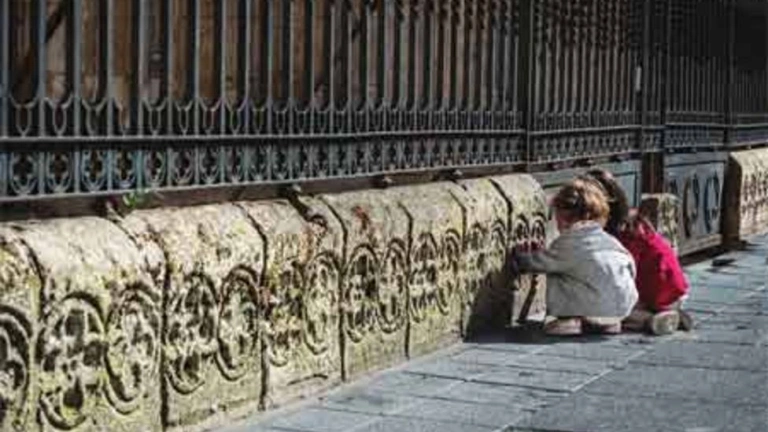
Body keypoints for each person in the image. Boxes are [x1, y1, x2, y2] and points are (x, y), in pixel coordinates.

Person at [512, 178, 638, 336]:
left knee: (558, 273)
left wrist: (521, 258)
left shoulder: (569, 243)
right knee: (591, 283)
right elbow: (630, 266)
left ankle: (572, 320)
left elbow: (540, 263)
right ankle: (610, 323)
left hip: (590, 308)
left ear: (564, 220)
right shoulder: (610, 240)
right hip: (622, 306)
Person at [584, 169, 693, 335]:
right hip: (674, 291)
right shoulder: (634, 223)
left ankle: (649, 319)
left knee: (603, 313)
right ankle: (668, 314)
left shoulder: (622, 235)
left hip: (658, 295)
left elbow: (622, 279)